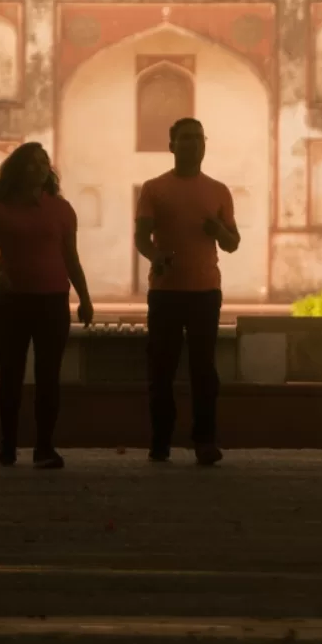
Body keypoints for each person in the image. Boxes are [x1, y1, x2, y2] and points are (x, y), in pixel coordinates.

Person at [0, 142, 94, 469]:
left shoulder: (61, 209)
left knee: (48, 377)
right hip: (11, 304)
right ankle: (8, 445)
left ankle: (45, 446)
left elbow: (71, 258)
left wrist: (84, 299)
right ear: (17, 169)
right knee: (11, 376)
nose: (39, 168)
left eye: (44, 163)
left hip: (52, 302)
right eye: (31, 163)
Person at [134, 117, 240, 466]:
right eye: (186, 139)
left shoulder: (218, 191)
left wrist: (217, 230)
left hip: (204, 292)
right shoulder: (154, 189)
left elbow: (232, 243)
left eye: (198, 138)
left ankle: (204, 441)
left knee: (203, 370)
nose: (194, 144)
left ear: (204, 145)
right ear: (172, 146)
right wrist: (156, 256)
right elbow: (141, 238)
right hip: (165, 291)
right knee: (161, 369)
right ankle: (160, 441)